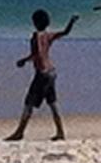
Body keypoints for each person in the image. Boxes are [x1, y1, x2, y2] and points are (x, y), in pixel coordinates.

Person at [6, 9, 80, 141]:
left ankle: (19, 132)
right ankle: (60, 132)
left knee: (29, 102)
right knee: (53, 103)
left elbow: (37, 54)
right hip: (52, 72)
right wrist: (71, 22)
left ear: (35, 23)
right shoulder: (48, 35)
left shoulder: (36, 37)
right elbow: (65, 32)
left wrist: (24, 60)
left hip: (42, 73)